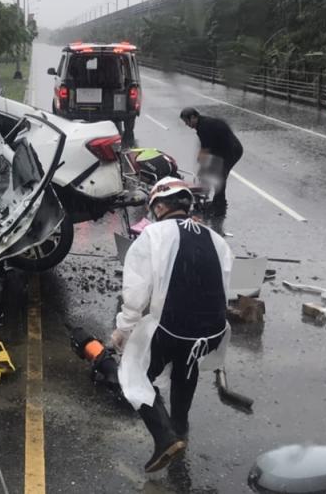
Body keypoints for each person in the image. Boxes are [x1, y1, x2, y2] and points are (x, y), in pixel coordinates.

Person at [110, 176, 233, 473]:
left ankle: (165, 438)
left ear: (161, 205)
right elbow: (223, 286)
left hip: (173, 328)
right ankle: (180, 428)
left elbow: (137, 291)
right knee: (185, 368)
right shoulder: (215, 240)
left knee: (134, 373)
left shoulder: (153, 235)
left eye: (154, 207)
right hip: (213, 331)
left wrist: (124, 329)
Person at [179, 107, 243, 216]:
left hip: (232, 150)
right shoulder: (202, 125)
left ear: (194, 117)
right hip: (222, 149)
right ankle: (218, 202)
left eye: (187, 121)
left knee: (220, 177)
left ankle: (219, 207)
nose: (186, 124)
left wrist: (201, 169)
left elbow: (205, 151)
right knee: (215, 174)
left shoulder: (204, 127)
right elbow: (205, 148)